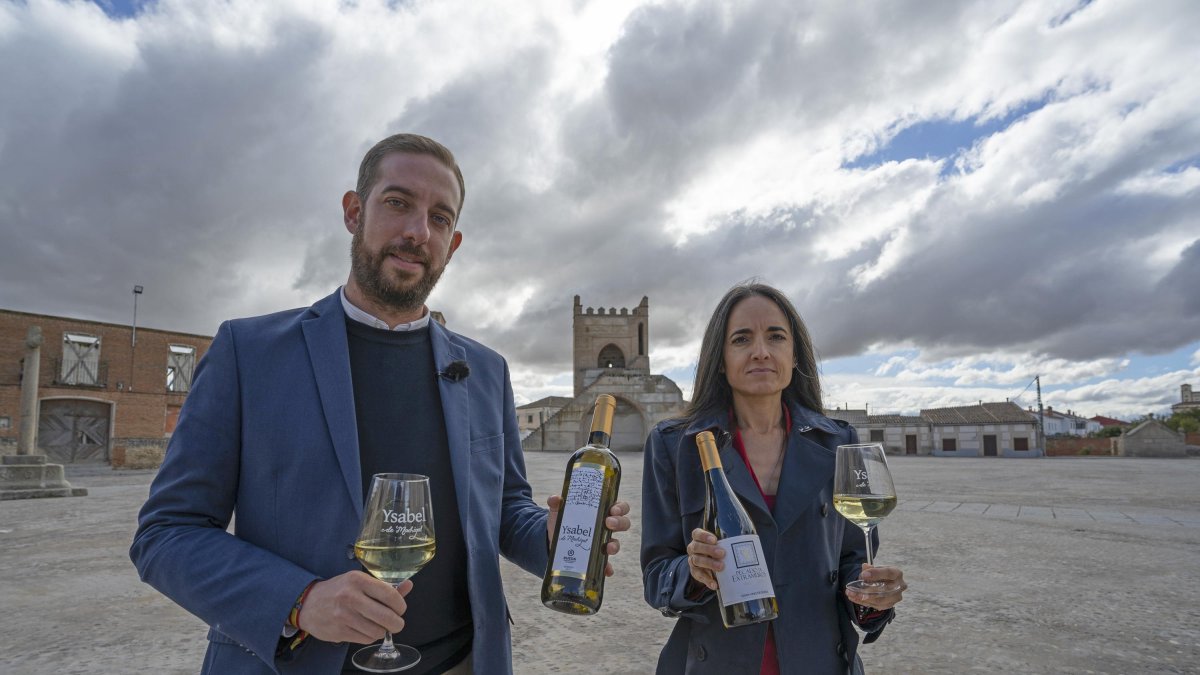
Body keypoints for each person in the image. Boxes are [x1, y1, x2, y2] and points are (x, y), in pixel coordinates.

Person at [130, 133, 631, 675]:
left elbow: (505, 509)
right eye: (397, 203)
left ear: (453, 244)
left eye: (439, 218)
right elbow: (167, 533)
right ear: (354, 212)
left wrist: (552, 538)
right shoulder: (247, 352)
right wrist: (299, 601)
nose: (418, 232)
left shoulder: (487, 370)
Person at [640, 282, 905, 674]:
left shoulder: (838, 442)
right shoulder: (674, 446)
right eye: (741, 339)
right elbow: (657, 576)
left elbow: (852, 561)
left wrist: (872, 599)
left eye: (776, 337)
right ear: (720, 359)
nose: (761, 351)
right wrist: (693, 574)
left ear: (794, 354)